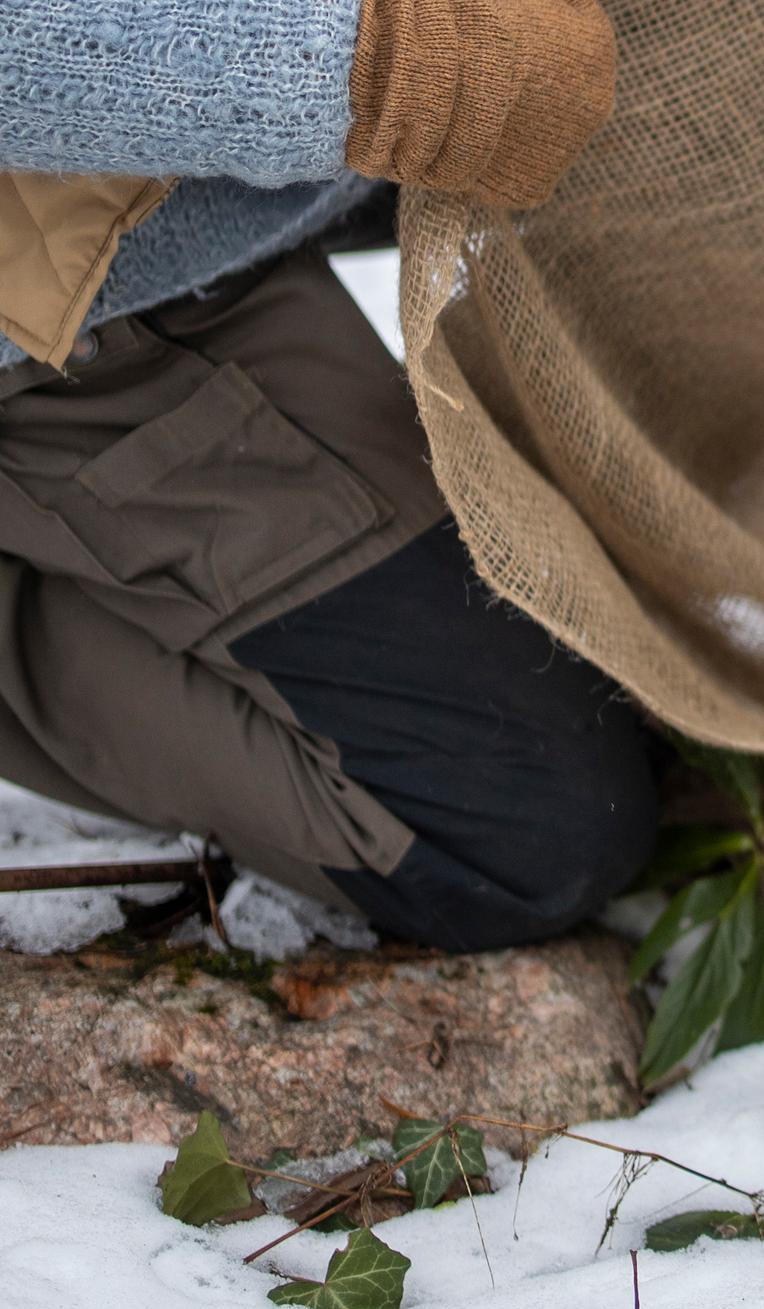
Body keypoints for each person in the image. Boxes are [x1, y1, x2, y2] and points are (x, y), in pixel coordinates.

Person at [0, 1, 655, 951]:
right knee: (519, 818)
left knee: (646, 656)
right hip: (62, 303)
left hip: (187, 201)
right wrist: (374, 64)